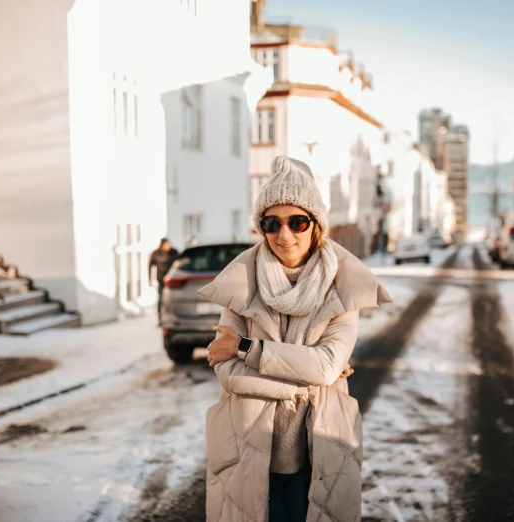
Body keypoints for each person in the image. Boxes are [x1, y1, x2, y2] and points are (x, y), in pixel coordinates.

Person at [198, 156, 391, 522]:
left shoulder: (341, 286)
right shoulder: (241, 283)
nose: (284, 235)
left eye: (297, 222)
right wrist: (303, 380)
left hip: (320, 448)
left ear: (315, 225)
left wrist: (245, 348)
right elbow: (229, 375)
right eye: (272, 223)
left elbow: (325, 366)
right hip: (248, 448)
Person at [149, 238, 179, 317]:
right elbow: (150, 266)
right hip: (161, 279)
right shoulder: (156, 254)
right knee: (161, 299)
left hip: (172, 280)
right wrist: (149, 280)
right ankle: (160, 317)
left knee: (173, 299)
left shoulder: (174, 252)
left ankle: (174, 315)